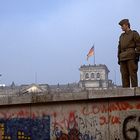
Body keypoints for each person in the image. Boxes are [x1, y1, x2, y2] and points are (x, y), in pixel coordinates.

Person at [118, 19, 140, 87]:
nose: (121, 27)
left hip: (131, 57)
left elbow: (139, 45)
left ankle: (135, 91)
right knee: (124, 75)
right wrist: (119, 58)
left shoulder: (134, 33)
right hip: (122, 58)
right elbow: (119, 48)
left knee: (132, 74)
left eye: (122, 25)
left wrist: (136, 54)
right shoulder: (121, 36)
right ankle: (125, 92)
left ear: (127, 25)